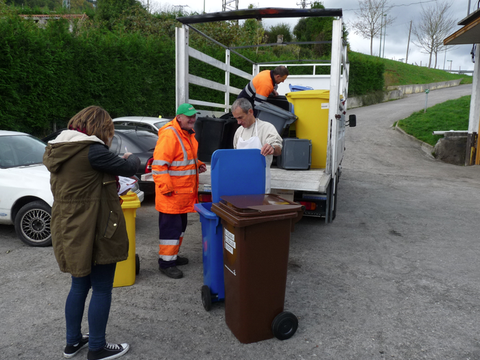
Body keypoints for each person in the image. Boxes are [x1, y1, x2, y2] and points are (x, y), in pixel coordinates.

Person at [43, 106, 140, 360]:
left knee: (78, 285)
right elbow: (130, 167)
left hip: (70, 227)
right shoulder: (92, 151)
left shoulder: (59, 149)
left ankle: (72, 342)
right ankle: (97, 348)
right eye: (109, 130)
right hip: (95, 228)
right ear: (101, 129)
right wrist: (130, 156)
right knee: (101, 288)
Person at [152, 103, 207, 279]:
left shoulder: (187, 134)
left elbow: (182, 160)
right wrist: (166, 189)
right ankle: (166, 263)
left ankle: (172, 256)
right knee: (170, 230)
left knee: (179, 228)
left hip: (181, 196)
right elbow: (159, 165)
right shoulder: (170, 134)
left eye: (194, 116)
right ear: (179, 117)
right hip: (172, 195)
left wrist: (197, 165)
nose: (192, 119)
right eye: (189, 116)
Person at [232, 98, 283, 193]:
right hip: (241, 183)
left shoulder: (266, 128)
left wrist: (272, 147)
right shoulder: (239, 132)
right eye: (236, 119)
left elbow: (278, 148)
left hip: (260, 183)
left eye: (240, 118)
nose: (238, 122)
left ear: (250, 112)